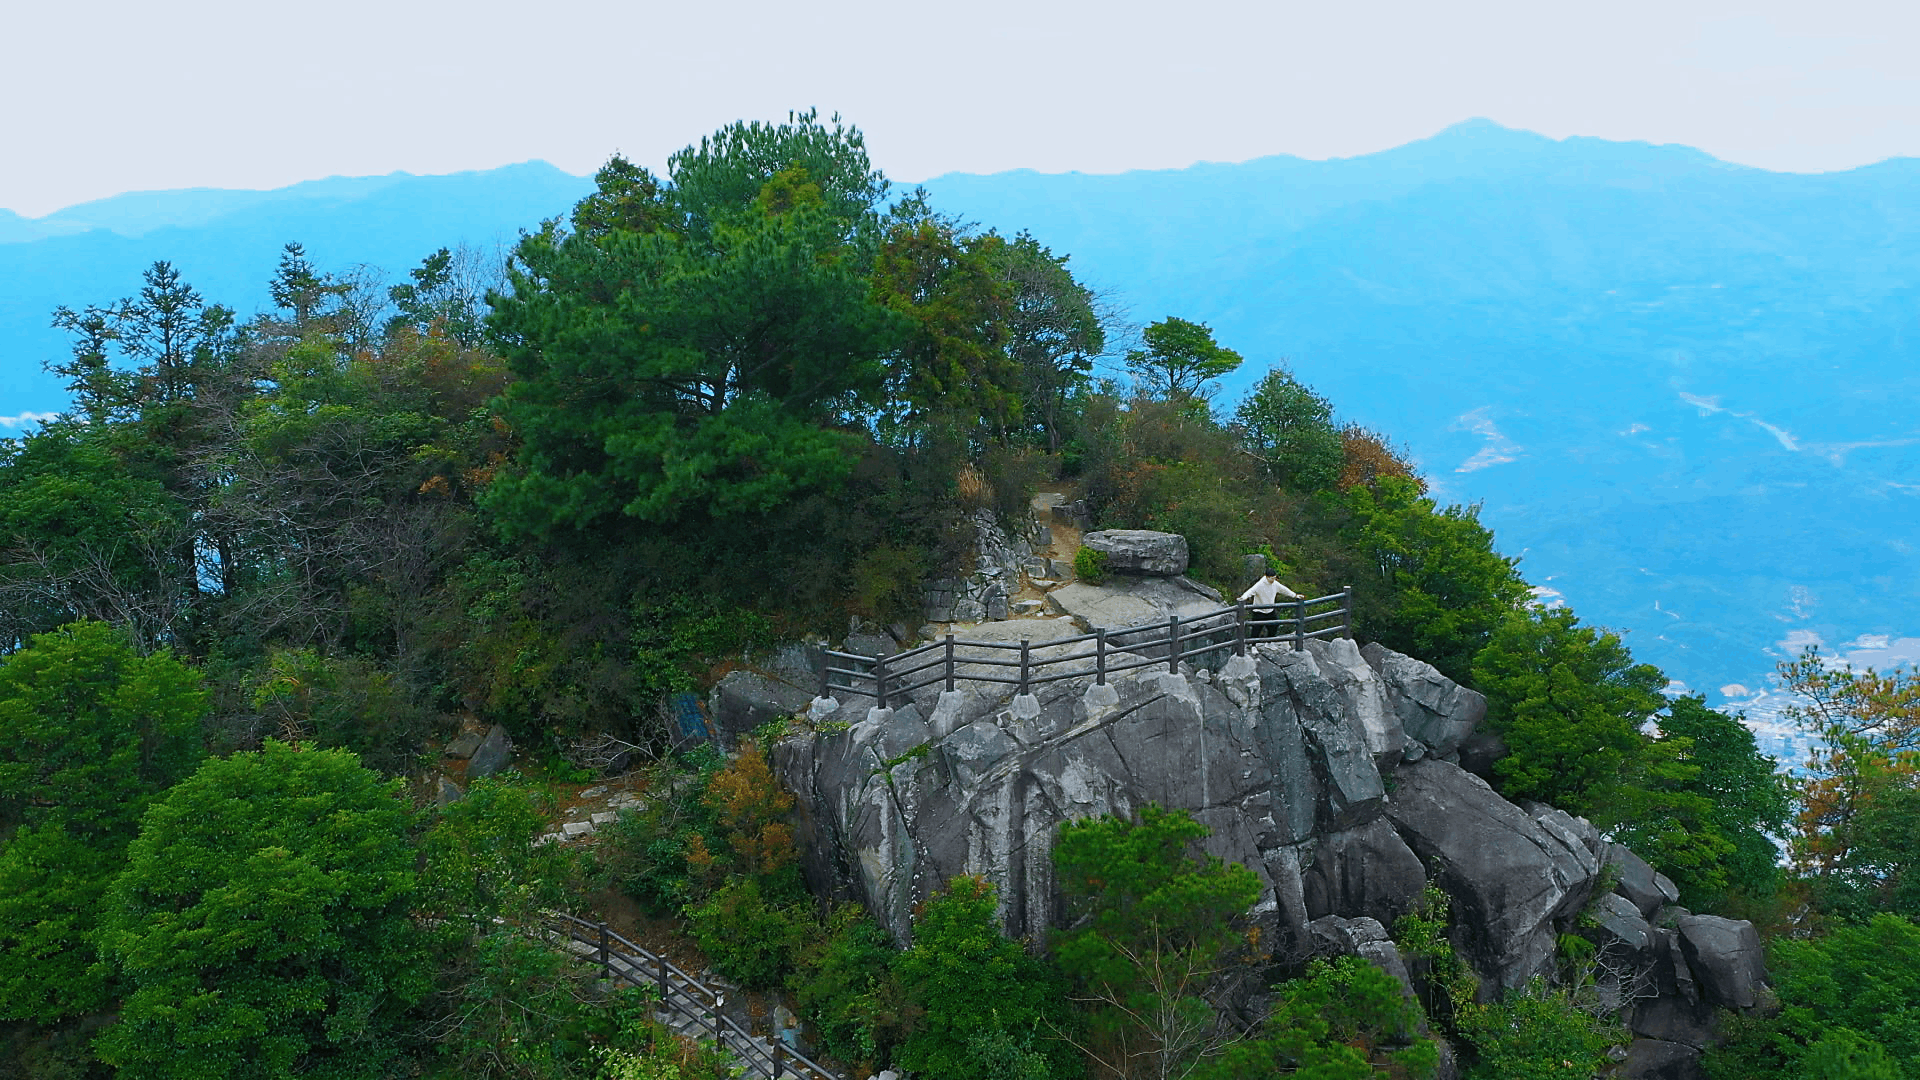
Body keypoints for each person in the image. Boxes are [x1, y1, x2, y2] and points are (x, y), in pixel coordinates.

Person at [1237, 572, 1301, 639]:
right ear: (1267, 577)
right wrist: (1243, 597)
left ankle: (1269, 642)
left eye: (1274, 578)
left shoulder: (1275, 584)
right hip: (1259, 611)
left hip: (1270, 610)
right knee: (1256, 630)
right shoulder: (1259, 584)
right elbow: (1250, 591)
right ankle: (1253, 646)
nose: (1273, 580)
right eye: (1271, 578)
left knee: (1274, 626)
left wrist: (1295, 595)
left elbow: (1284, 590)